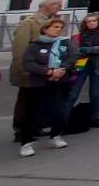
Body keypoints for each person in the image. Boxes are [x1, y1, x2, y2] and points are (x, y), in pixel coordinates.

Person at [17, 17, 76, 157]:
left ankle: (55, 136)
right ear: (45, 29)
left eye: (60, 28)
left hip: (60, 81)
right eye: (55, 27)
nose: (58, 30)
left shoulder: (65, 43)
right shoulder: (35, 45)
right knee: (34, 113)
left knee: (59, 111)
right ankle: (26, 143)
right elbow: (29, 64)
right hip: (40, 83)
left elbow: (72, 58)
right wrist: (48, 71)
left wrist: (62, 70)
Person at [9, 0, 63, 143]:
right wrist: (24, 70)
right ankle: (20, 129)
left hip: (42, 69)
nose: (60, 8)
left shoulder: (48, 22)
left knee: (38, 100)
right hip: (30, 69)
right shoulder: (30, 22)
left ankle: (34, 125)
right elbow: (20, 48)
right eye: (58, 5)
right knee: (25, 100)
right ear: (48, 6)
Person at [65, 13, 99, 129]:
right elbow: (75, 50)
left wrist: (87, 49)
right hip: (82, 64)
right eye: (88, 21)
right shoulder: (80, 35)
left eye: (94, 21)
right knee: (73, 93)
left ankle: (95, 118)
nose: (91, 23)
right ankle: (64, 118)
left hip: (98, 65)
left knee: (95, 94)